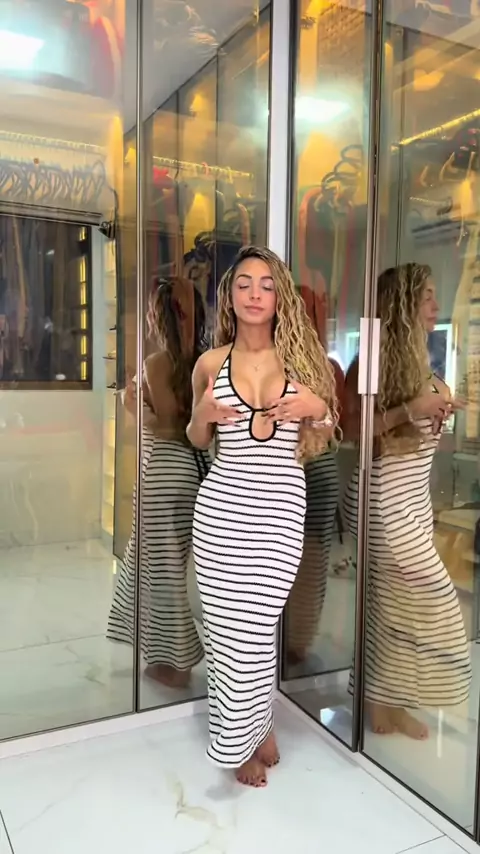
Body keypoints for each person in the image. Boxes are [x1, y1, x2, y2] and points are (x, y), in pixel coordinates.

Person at [186, 245, 338, 787]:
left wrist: (316, 408)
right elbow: (196, 438)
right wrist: (202, 414)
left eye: (267, 285)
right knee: (229, 632)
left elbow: (327, 428)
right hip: (222, 509)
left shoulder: (303, 361)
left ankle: (253, 728)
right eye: (244, 283)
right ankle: (243, 741)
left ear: (280, 298)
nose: (255, 294)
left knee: (256, 628)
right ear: (229, 295)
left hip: (279, 510)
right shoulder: (210, 363)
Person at [342, 263, 472, 739]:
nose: (437, 305)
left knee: (394, 607)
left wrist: (441, 406)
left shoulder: (422, 364)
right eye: (428, 296)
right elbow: (352, 432)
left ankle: (386, 701)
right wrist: (412, 409)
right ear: (402, 305)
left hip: (411, 501)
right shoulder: (371, 362)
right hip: (382, 500)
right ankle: (381, 699)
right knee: (430, 595)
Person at [107, 277, 209, 688]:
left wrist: (135, 408)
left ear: (157, 316)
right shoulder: (209, 361)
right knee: (164, 568)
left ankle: (175, 662)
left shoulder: (157, 363)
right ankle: (167, 655)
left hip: (165, 472)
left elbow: (169, 425)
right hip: (197, 470)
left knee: (160, 573)